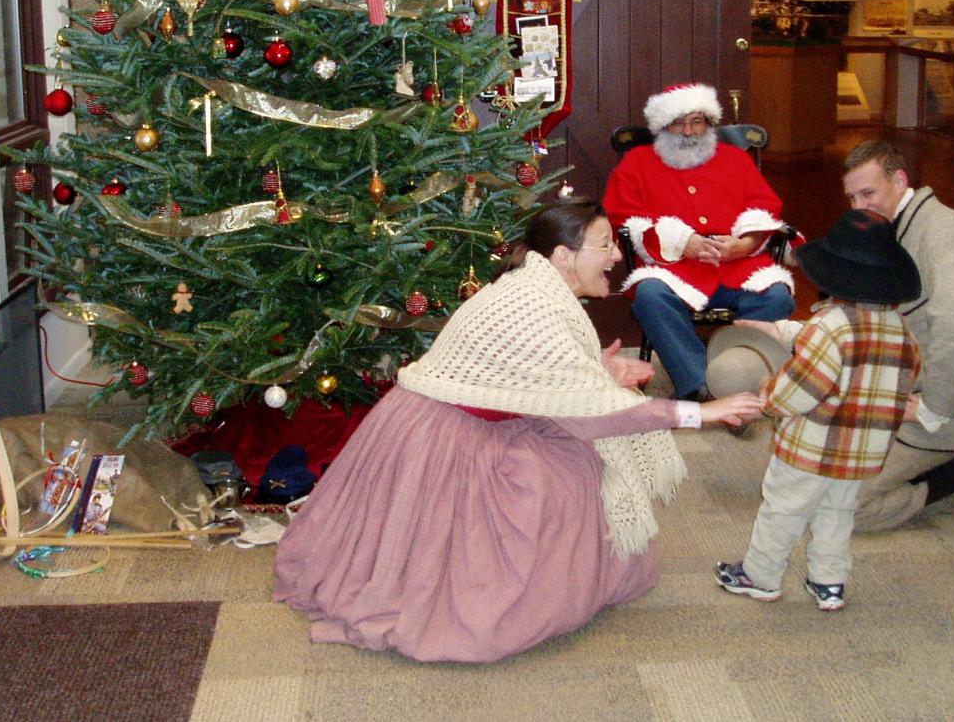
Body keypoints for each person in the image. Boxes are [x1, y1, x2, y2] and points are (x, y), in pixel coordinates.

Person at [273, 199, 760, 663]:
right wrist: (701, 413)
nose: (616, 255)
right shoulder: (535, 306)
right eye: (605, 244)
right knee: (564, 477)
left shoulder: (537, 286)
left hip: (452, 420)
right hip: (449, 436)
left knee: (579, 459)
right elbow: (598, 414)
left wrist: (600, 373)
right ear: (565, 255)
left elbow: (542, 380)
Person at [714, 209, 922, 611]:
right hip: (860, 453)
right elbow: (900, 386)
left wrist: (768, 394)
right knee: (837, 513)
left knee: (783, 509)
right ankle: (829, 581)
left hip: (810, 449)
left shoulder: (832, 329)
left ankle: (761, 575)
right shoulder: (904, 335)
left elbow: (800, 390)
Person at [840, 140, 954, 531]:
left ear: (900, 180)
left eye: (868, 193)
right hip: (898, 394)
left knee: (846, 509)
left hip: (944, 409)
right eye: (852, 197)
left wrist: (934, 409)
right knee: (813, 473)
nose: (859, 207)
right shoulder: (894, 228)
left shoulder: (943, 233)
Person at [603, 82, 797, 401]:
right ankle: (699, 383)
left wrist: (745, 244)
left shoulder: (736, 159)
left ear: (709, 123)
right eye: (678, 122)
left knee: (777, 297)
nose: (689, 132)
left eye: (697, 121)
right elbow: (622, 218)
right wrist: (682, 241)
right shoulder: (637, 163)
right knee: (650, 296)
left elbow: (765, 207)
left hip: (738, 264)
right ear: (662, 127)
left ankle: (736, 373)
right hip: (673, 268)